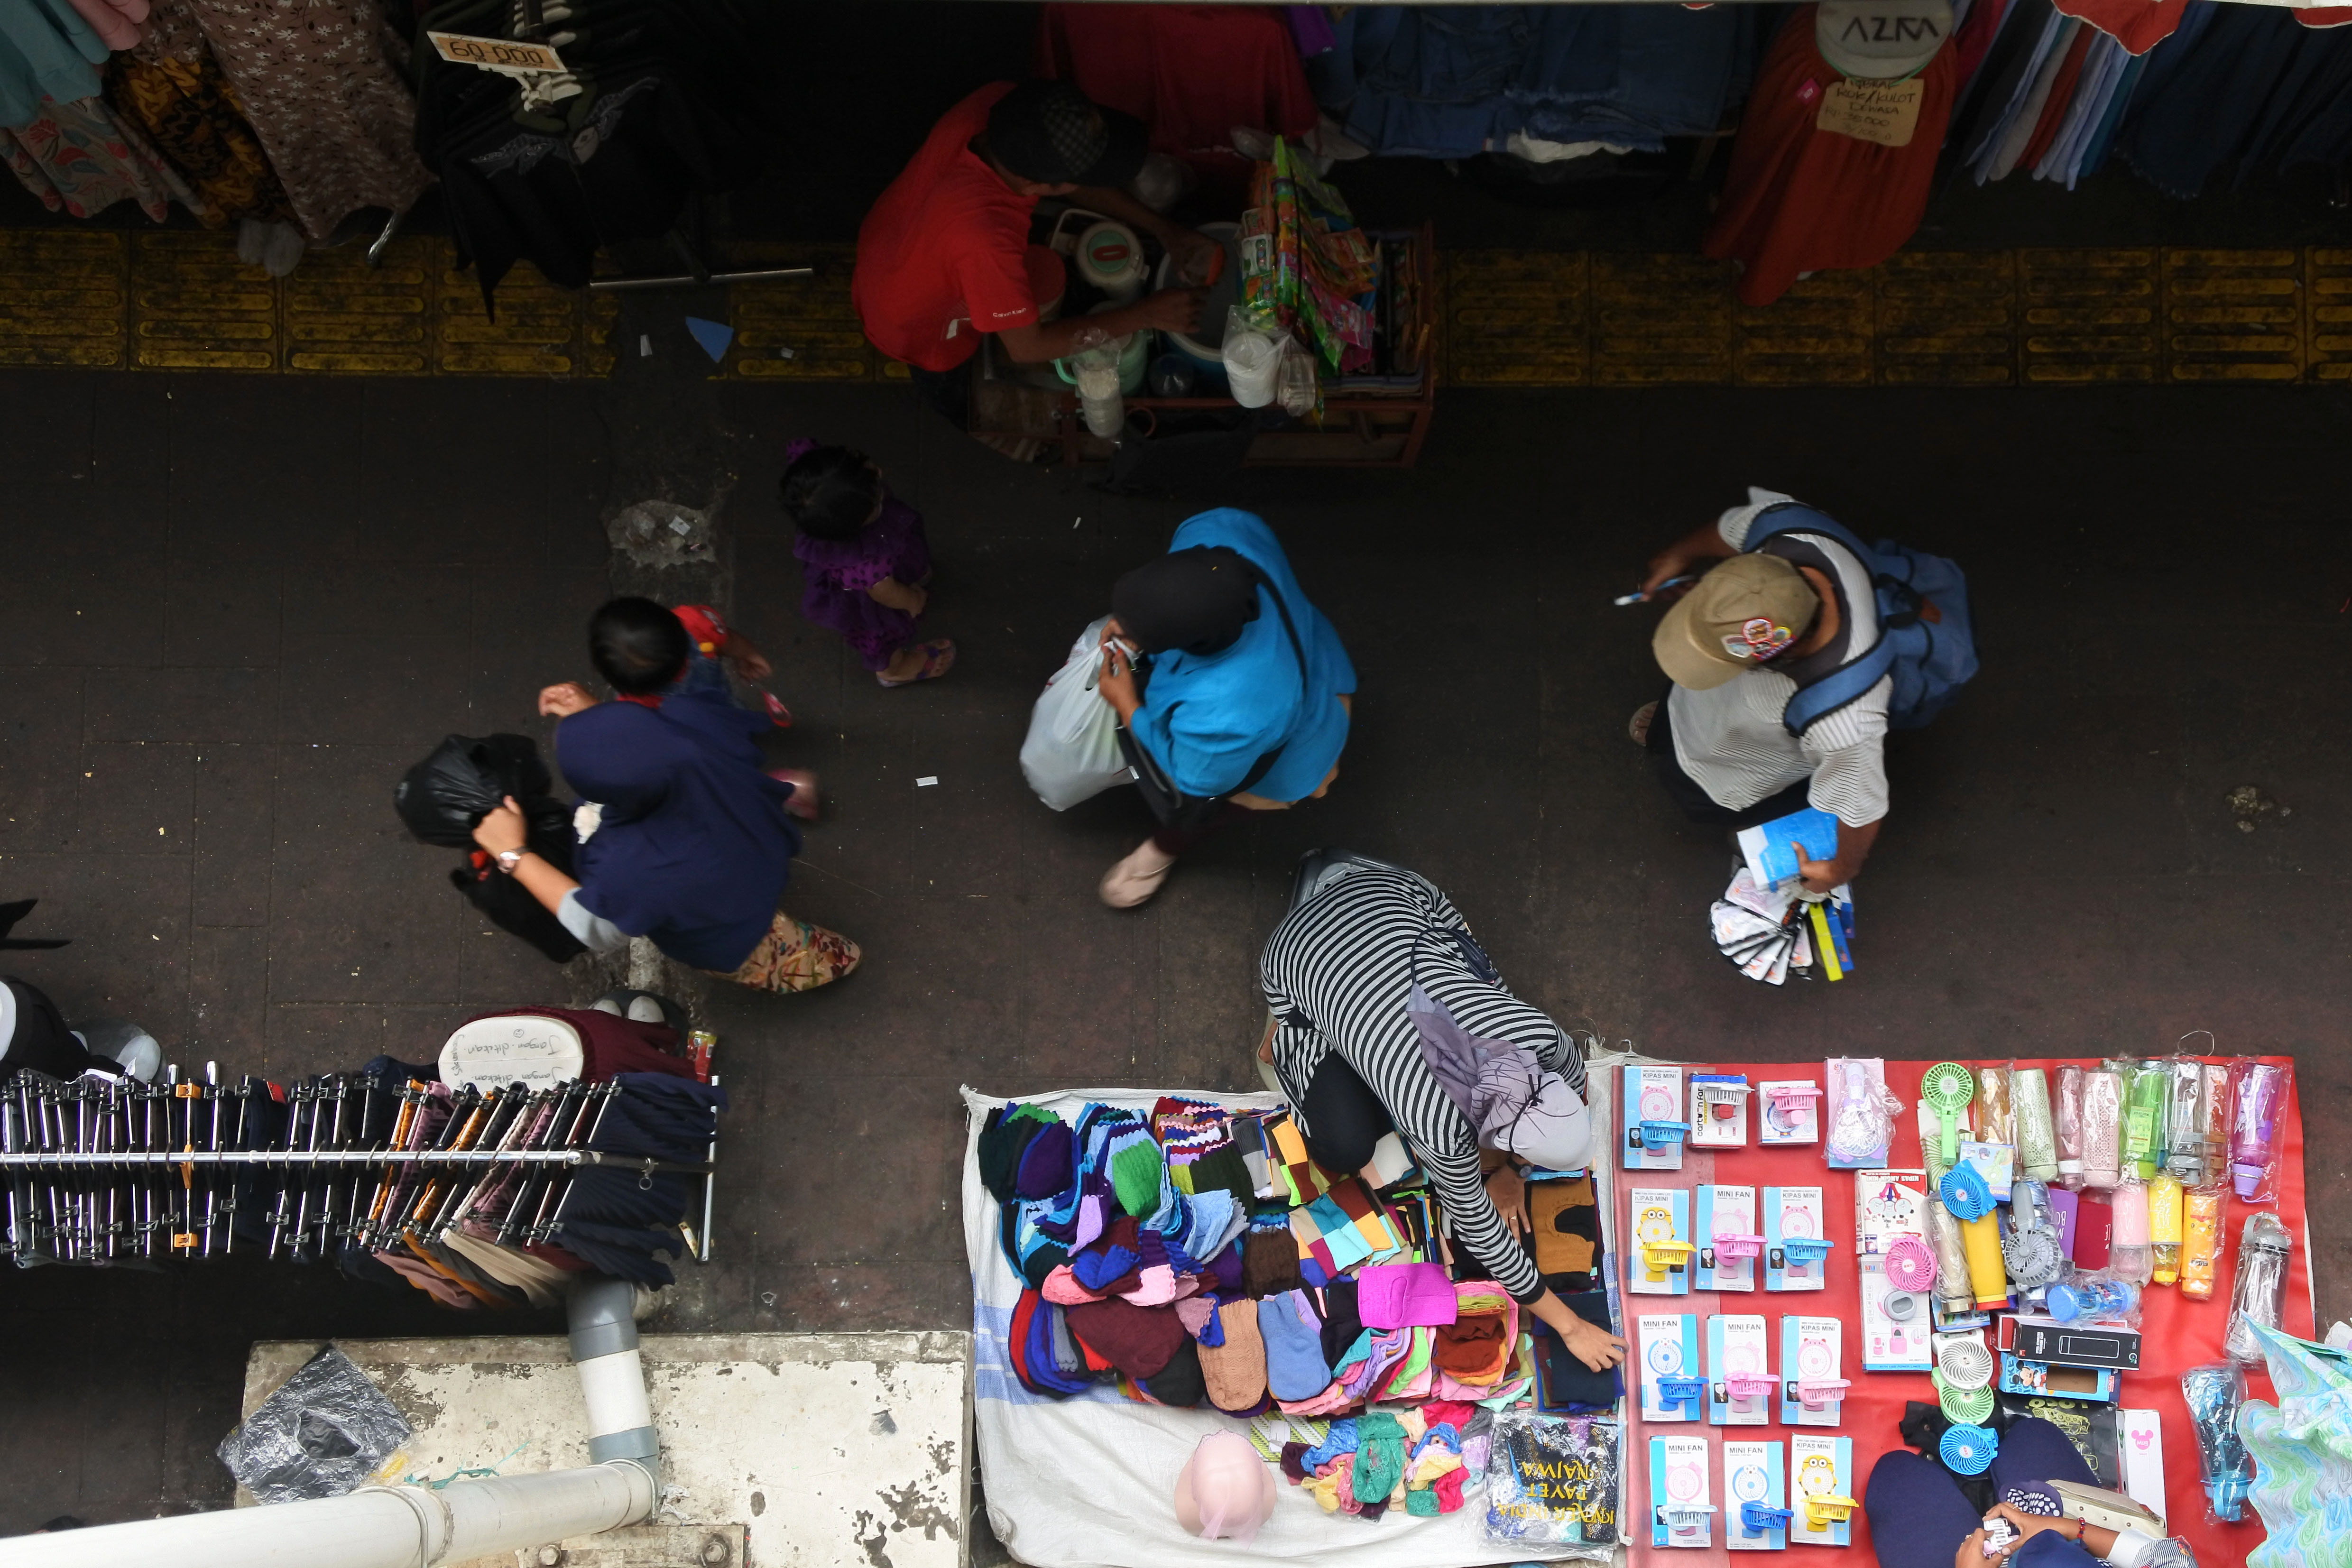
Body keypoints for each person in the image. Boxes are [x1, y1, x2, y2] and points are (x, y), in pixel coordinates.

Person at [1257, 854, 1628, 1374]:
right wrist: (1571, 1326)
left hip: (1393, 895)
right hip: (1293, 956)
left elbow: (1574, 1088)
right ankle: (1296, 1025)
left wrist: (1510, 1168)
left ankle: (1346, 882)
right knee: (1343, 1149)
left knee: (1468, 976)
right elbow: (1483, 1237)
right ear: (1505, 1143)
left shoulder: (1542, 1039)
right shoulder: (1434, 1122)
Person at [851, 77, 1218, 428]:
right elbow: (1028, 347)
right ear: (1032, 183)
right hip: (911, 318)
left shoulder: (1000, 106)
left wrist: (1165, 231)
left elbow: (1071, 184)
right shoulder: (985, 240)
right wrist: (1147, 314)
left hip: (896, 239)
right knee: (963, 397)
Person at [475, 676, 858, 995]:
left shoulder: (631, 870)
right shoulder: (694, 727)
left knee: (794, 955)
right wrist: (603, 721)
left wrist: (514, 854)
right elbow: (646, 742)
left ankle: (834, 961)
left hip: (731, 929)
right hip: (750, 859)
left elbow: (597, 927)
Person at [1631, 487, 1893, 892]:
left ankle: (1707, 787)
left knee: (1695, 793)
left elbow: (1861, 809)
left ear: (1775, 660)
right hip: (1710, 708)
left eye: (1720, 661)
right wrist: (1681, 553)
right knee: (1678, 709)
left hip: (1732, 765)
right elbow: (1729, 527)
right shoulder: (1788, 529)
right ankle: (1671, 731)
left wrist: (1840, 869)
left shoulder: (1844, 721)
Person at [1092, 509, 1355, 909]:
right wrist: (1134, 620)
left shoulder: (1230, 712)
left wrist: (1126, 704)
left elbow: (1196, 778)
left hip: (1296, 738)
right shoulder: (1221, 530)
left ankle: (1162, 852)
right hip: (1310, 651)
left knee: (1215, 806)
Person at [542, 598, 816, 819]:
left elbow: (624, 736)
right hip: (720, 707)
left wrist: (586, 710)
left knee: (716, 772)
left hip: (690, 736)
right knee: (731, 733)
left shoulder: (635, 709)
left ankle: (786, 790)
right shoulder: (695, 623)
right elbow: (728, 640)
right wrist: (749, 655)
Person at [1864, 1417, 2193, 1568]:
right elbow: (2165, 1560)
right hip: (2074, 1550)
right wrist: (2066, 1529)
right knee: (2032, 1434)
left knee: (1896, 1476)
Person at [780, 441, 953, 687]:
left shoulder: (822, 491)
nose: (879, 472)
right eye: (877, 492)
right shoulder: (867, 564)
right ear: (859, 525)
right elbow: (885, 591)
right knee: (883, 639)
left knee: (905, 563)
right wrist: (913, 600)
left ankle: (913, 572)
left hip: (885, 567)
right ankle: (893, 670)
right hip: (871, 603)